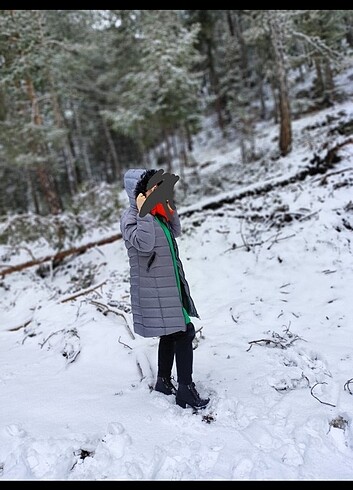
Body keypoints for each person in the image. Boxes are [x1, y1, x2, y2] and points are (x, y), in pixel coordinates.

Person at [120, 168, 209, 410]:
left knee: (172, 334)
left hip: (168, 286)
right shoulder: (131, 218)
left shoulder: (157, 215)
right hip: (154, 290)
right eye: (151, 189)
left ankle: (162, 381)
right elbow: (145, 245)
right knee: (184, 331)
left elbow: (176, 231)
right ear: (138, 193)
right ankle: (185, 390)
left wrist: (167, 207)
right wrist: (143, 212)